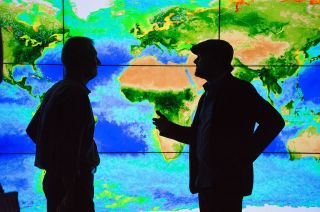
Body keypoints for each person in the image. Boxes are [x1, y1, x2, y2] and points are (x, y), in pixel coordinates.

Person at [153, 39, 285, 211]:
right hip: (206, 183)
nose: (195, 62)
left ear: (213, 60)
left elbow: (274, 122)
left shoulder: (240, 90)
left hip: (227, 181)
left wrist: (244, 157)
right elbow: (201, 136)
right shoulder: (207, 96)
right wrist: (170, 129)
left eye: (200, 57)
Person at [26, 37, 101, 212]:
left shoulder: (57, 89)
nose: (98, 62)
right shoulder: (76, 95)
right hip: (73, 186)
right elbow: (70, 149)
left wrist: (53, 156)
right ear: (81, 60)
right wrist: (70, 191)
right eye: (93, 56)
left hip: (56, 181)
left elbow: (33, 130)